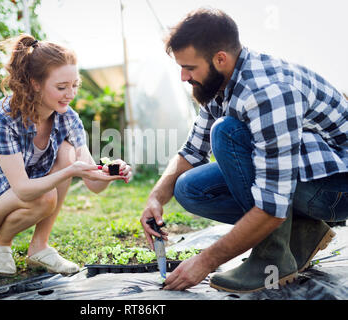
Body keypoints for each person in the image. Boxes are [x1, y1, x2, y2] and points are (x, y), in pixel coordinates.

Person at [140, 7, 348, 292]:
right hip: (304, 176)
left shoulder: (267, 93)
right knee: (189, 188)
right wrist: (155, 198)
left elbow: (273, 204)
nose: (183, 77)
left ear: (220, 59)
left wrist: (205, 261)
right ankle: (304, 231)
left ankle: (271, 258)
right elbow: (191, 151)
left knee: (226, 132)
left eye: (189, 68)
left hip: (336, 189)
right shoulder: (219, 83)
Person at [0, 35, 132, 277]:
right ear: (35, 83)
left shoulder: (68, 117)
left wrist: (110, 172)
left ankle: (39, 247)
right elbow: (24, 190)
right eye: (61, 87)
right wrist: (70, 171)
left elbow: (91, 181)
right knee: (47, 194)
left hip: (22, 192)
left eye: (75, 85)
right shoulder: (3, 117)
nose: (70, 94)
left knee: (67, 154)